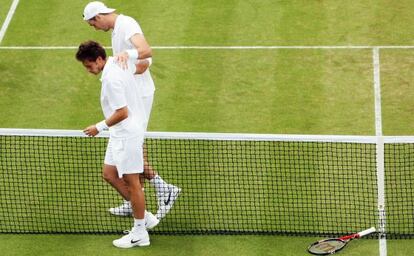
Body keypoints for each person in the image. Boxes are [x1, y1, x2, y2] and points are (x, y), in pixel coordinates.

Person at [83, 1, 181, 220]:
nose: (94, 29)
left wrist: (125, 61)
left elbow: (146, 54)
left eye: (92, 24)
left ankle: (164, 189)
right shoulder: (117, 30)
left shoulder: (126, 24)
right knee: (130, 151)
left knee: (132, 149)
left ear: (98, 17)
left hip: (140, 96)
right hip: (132, 94)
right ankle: (136, 200)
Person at [76, 40, 157, 248]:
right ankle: (145, 216)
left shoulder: (111, 79)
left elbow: (122, 112)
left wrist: (98, 127)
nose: (88, 70)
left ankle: (140, 232)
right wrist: (133, 55)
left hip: (127, 134)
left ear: (100, 59)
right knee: (109, 174)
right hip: (120, 133)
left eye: (89, 65)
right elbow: (146, 61)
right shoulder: (118, 63)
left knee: (133, 183)